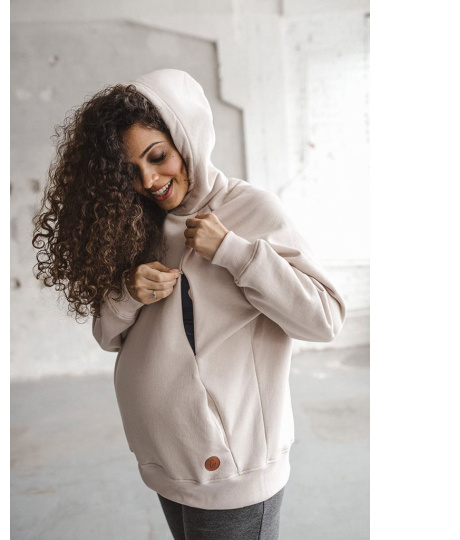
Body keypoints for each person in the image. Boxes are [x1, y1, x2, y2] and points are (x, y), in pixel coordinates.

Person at [32, 68, 347, 539]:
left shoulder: (250, 210)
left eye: (158, 156)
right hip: (167, 465)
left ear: (188, 139)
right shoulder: (137, 224)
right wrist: (127, 292)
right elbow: (107, 336)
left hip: (232, 472)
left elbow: (324, 319)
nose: (149, 180)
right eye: (130, 171)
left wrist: (236, 253)